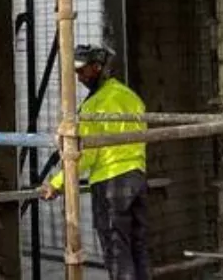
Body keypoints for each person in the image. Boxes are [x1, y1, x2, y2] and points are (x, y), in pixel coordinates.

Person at [39, 44, 149, 280]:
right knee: (138, 248)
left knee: (117, 251)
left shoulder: (93, 106)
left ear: (98, 67)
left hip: (111, 184)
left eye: (83, 71)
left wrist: (56, 183)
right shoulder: (130, 97)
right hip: (137, 179)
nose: (79, 78)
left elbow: (85, 154)